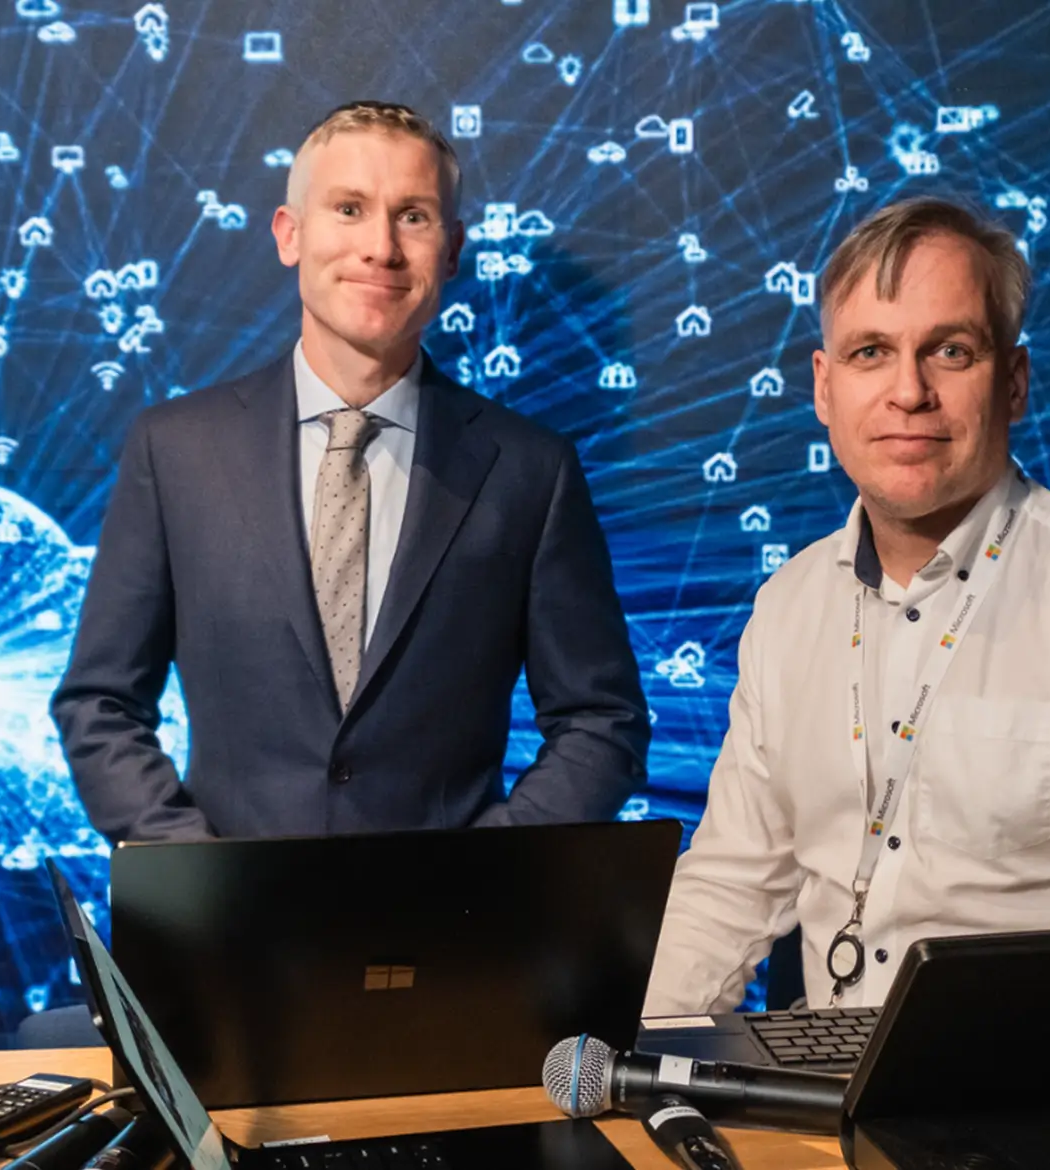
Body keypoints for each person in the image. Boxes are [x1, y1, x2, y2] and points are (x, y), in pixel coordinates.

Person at [645, 197, 1050, 1014]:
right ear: (824, 388)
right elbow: (726, 887)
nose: (908, 392)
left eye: (950, 351)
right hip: (825, 1109)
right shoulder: (787, 608)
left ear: (1013, 381)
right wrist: (642, 1065)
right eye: (870, 352)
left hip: (1033, 1121)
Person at [51, 101, 648, 842]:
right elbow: (99, 703)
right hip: (225, 935)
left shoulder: (531, 471)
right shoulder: (175, 451)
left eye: (414, 217)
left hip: (452, 938)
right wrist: (193, 872)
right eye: (349, 209)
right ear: (289, 234)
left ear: (453, 249)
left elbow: (602, 718)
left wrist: (488, 877)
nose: (381, 247)